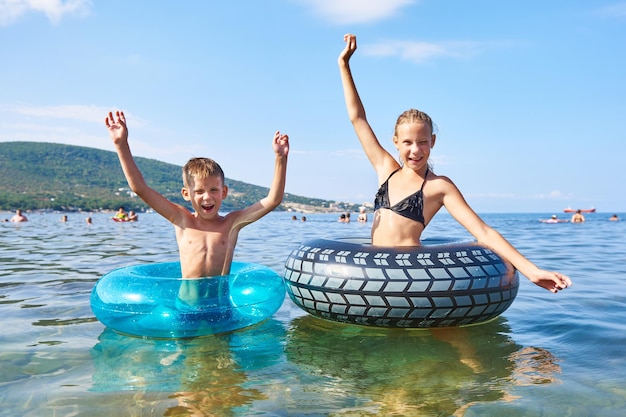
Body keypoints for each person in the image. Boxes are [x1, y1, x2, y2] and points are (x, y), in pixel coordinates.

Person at [338, 34, 571, 294]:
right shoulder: (385, 169)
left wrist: (532, 271)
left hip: (409, 274)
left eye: (422, 142)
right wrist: (344, 65)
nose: (415, 150)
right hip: (374, 271)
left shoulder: (439, 187)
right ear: (395, 142)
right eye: (407, 142)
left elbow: (482, 231)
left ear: (432, 142)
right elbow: (357, 119)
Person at [105, 110, 289, 280]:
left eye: (214, 190)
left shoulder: (232, 224)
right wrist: (121, 144)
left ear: (224, 192)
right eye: (199, 191)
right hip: (187, 309)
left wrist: (280, 158)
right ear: (186, 194)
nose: (207, 197)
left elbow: (273, 200)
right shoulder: (182, 220)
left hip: (220, 309)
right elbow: (140, 188)